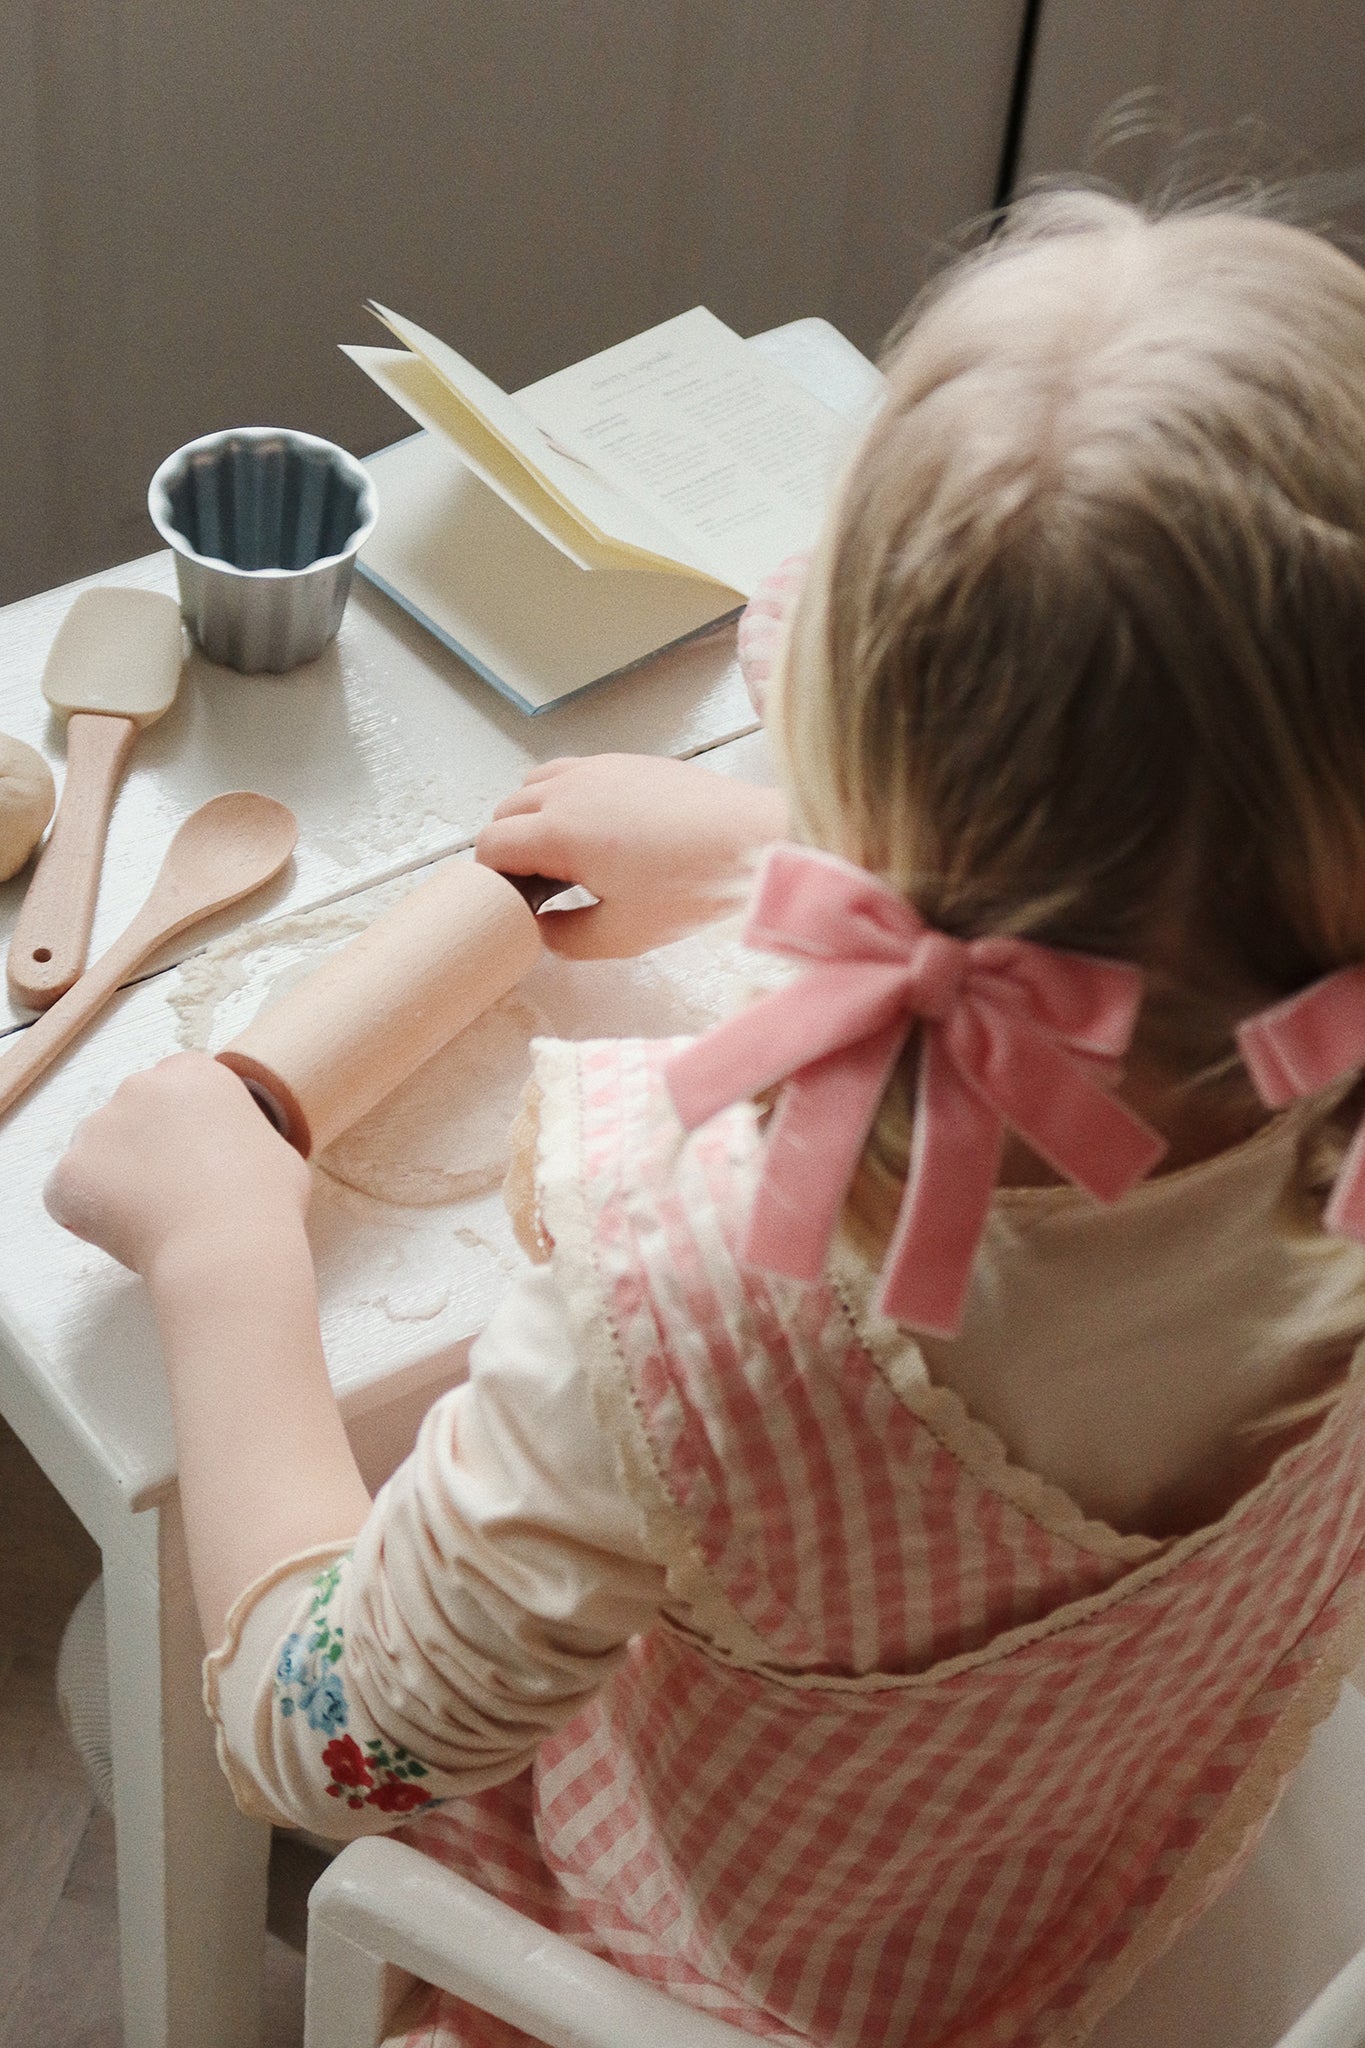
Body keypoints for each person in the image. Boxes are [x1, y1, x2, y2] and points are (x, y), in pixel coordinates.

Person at [43, 187, 1365, 2048]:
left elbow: (325, 1738)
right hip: (1091, 1826)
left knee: (127, 1674)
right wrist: (778, 861)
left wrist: (220, 1243)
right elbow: (1159, 959)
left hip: (746, 1973)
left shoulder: (703, 1314)